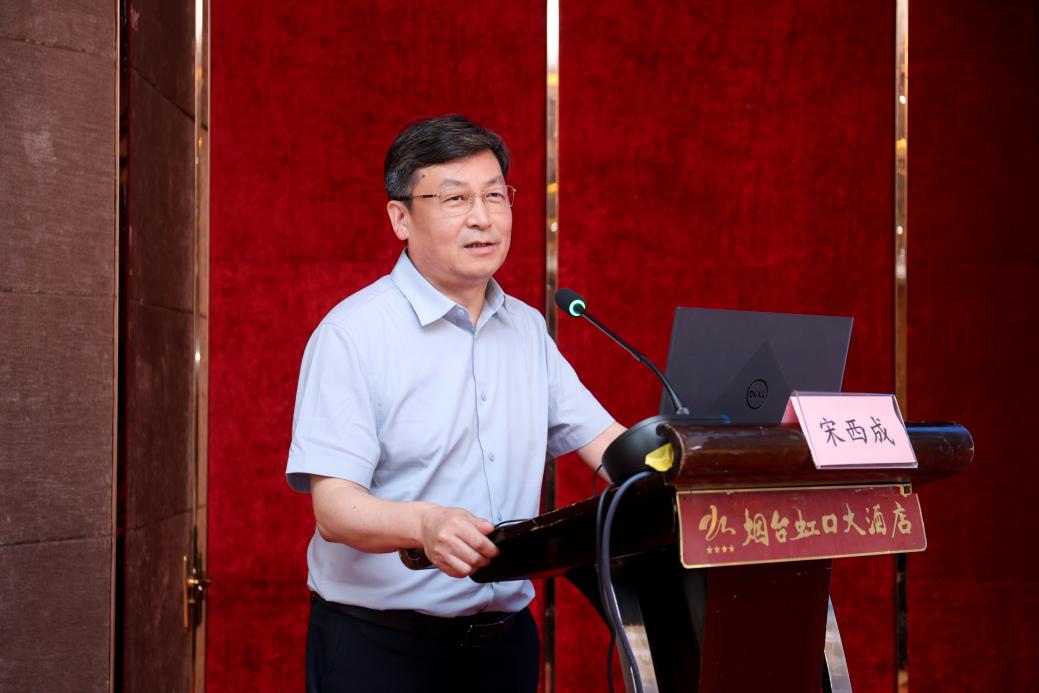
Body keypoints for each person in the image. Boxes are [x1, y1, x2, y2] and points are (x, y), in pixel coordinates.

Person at [286, 114, 624, 692]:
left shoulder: (526, 329)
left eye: (494, 195)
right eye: (454, 198)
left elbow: (610, 447)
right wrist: (424, 524)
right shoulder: (353, 334)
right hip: (382, 651)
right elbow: (334, 510)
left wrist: (703, 462)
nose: (482, 217)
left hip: (504, 649)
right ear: (400, 218)